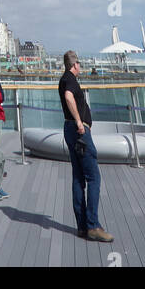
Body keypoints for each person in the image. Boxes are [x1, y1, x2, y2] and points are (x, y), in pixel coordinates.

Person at [59, 50, 112, 242]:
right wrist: (80, 122)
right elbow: (68, 96)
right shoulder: (70, 80)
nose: (80, 67)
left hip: (69, 129)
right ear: (75, 65)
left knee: (78, 177)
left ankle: (82, 226)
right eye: (79, 64)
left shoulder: (63, 78)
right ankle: (93, 226)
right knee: (93, 177)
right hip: (78, 131)